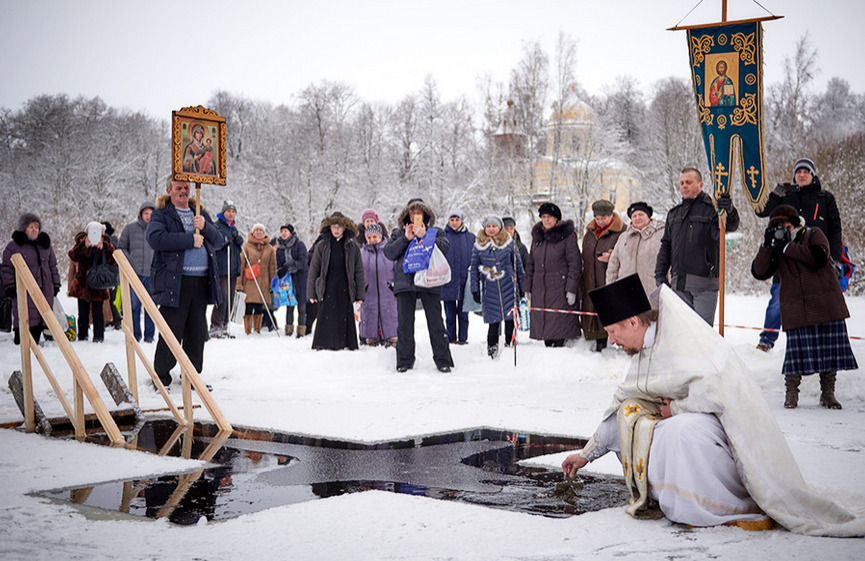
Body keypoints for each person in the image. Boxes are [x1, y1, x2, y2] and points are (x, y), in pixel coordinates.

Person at [561, 274, 865, 536]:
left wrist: (675, 410)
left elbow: (717, 392)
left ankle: (719, 506)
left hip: (728, 436)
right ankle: (671, 502)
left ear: (633, 321)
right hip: (700, 428)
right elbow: (621, 404)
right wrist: (586, 455)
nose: (612, 340)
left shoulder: (683, 341)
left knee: (679, 430)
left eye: (614, 332)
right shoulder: (642, 351)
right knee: (637, 418)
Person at [751, 205, 857, 409]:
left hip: (825, 303)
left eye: (786, 225)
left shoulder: (813, 233)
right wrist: (766, 245)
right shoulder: (776, 245)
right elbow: (759, 272)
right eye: (778, 226)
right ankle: (791, 394)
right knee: (795, 354)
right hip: (796, 306)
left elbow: (819, 258)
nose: (783, 229)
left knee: (829, 353)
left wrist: (788, 247)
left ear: (796, 223)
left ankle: (828, 394)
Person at [754, 157, 843, 351]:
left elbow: (835, 230)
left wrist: (835, 259)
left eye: (806, 171)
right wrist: (775, 196)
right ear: (794, 176)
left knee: (818, 303)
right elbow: (761, 212)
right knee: (777, 301)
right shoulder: (786, 195)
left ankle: (818, 344)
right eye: (798, 172)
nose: (802, 175)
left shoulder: (825, 198)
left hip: (815, 258)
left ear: (813, 175)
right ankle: (766, 341)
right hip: (785, 258)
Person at [147, 179, 225, 388]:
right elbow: (156, 238)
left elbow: (219, 241)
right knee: (172, 328)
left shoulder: (198, 211)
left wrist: (205, 227)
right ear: (169, 190)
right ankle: (162, 374)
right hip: (175, 281)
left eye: (186, 188)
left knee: (197, 330)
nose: (183, 192)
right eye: (178, 188)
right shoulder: (162, 214)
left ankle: (192, 375)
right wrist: (189, 240)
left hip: (201, 281)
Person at [654, 167, 739, 325]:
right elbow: (666, 246)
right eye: (681, 183)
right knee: (683, 335)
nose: (684, 186)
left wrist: (730, 210)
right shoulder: (674, 214)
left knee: (702, 335)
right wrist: (660, 273)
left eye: (688, 182)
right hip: (679, 284)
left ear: (700, 185)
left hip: (704, 284)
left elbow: (732, 225)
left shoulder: (713, 209)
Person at [384, 198, 454, 373]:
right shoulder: (398, 234)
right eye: (412, 212)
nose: (416, 215)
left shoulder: (435, 232)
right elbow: (390, 253)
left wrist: (425, 236)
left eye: (419, 212)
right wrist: (406, 239)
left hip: (429, 281)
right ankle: (404, 361)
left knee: (436, 323)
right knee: (404, 325)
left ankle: (443, 360)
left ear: (425, 215)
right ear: (407, 215)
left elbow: (445, 247)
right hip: (404, 282)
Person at [522, 202, 582, 347]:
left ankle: (560, 351)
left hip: (560, 290)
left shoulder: (567, 236)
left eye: (550, 217)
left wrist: (572, 288)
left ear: (557, 219)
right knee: (546, 330)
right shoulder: (538, 237)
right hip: (540, 289)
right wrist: (527, 287)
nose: (546, 220)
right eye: (543, 217)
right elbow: (531, 264)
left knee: (560, 326)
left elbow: (575, 264)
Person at [307, 212, 365, 350]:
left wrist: (360, 295)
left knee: (344, 316)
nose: (336, 230)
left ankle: (345, 343)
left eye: (339, 226)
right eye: (334, 226)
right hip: (327, 287)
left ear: (345, 228)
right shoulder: (322, 246)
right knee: (326, 316)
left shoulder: (353, 247)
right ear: (330, 228)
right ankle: (324, 344)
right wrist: (311, 293)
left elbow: (359, 272)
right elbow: (314, 270)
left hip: (345, 287)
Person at [1, 213, 61, 346]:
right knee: (25, 316)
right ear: (24, 229)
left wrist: (56, 283)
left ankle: (43, 339)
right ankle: (21, 342)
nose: (35, 230)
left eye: (37, 227)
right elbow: (6, 268)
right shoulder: (14, 246)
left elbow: (53, 266)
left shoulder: (45, 246)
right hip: (24, 290)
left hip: (45, 289)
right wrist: (10, 286)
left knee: (44, 315)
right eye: (31, 227)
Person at [470, 215, 524, 358]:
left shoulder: (509, 243)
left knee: (509, 321)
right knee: (493, 324)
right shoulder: (478, 246)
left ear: (499, 227)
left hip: (508, 286)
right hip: (490, 290)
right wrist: (474, 289)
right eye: (489, 226)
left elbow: (517, 264)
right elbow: (474, 268)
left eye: (494, 226)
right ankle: (492, 352)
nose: (491, 229)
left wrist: (522, 284)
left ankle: (510, 347)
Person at [580, 199, 623, 352]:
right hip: (590, 280)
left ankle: (611, 344)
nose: (600, 221)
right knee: (592, 311)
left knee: (609, 314)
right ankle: (594, 342)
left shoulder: (621, 232)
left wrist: (612, 258)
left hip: (610, 281)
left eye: (603, 218)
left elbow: (627, 255)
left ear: (611, 216)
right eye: (597, 218)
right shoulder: (589, 235)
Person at [606, 201, 665, 306]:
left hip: (653, 292)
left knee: (651, 321)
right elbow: (613, 266)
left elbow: (670, 263)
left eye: (641, 214)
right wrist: (611, 289)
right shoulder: (623, 237)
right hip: (626, 293)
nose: (637, 218)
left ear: (648, 216)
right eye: (634, 216)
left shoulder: (662, 234)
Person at [68, 221, 115, 343]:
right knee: (82, 312)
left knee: (98, 312)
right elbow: (73, 255)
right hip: (83, 283)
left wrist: (104, 248)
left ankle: (98, 337)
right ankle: (82, 336)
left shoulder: (106, 243)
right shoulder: (81, 241)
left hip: (98, 283)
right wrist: (83, 245)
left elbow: (113, 261)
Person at [118, 201, 156, 342]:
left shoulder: (158, 230)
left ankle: (149, 336)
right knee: (134, 306)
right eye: (146, 213)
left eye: (151, 214)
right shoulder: (130, 228)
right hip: (135, 275)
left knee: (151, 308)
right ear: (141, 214)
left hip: (152, 275)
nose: (148, 216)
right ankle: (135, 335)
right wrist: (130, 263)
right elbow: (121, 247)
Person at [359, 223, 397, 347]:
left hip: (388, 291)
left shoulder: (390, 250)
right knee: (369, 313)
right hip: (369, 292)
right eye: (369, 238)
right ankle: (371, 338)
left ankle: (391, 337)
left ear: (380, 236)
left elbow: (397, 269)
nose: (372, 240)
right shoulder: (361, 253)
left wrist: (393, 285)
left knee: (389, 313)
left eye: (374, 236)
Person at [209, 201, 243, 338]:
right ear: (223, 212)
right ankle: (215, 325)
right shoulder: (217, 226)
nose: (231, 214)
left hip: (233, 267)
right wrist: (225, 240)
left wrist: (239, 241)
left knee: (230, 298)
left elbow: (236, 248)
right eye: (228, 211)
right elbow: (215, 244)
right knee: (222, 297)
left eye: (233, 212)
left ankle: (224, 324)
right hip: (223, 267)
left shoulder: (234, 228)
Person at [441, 208, 475, 345]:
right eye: (452, 220)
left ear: (462, 221)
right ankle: (450, 338)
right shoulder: (442, 236)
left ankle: (462, 339)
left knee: (463, 313)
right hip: (447, 280)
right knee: (449, 314)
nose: (454, 223)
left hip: (464, 281)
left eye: (457, 220)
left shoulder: (470, 237)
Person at [237, 224, 277, 335]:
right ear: (253, 232)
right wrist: (239, 284)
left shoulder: (269, 248)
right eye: (257, 230)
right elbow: (241, 265)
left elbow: (272, 267)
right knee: (249, 306)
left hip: (263, 282)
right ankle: (248, 330)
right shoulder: (246, 246)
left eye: (261, 230)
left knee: (260, 306)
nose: (259, 232)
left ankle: (257, 330)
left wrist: (272, 283)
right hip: (249, 281)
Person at [274, 224, 309, 337]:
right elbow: (278, 265)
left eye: (285, 231)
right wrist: (281, 271)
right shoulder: (279, 249)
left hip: (301, 278)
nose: (283, 233)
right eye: (282, 231)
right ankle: (288, 329)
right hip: (287, 281)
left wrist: (293, 265)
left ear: (291, 233)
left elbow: (304, 261)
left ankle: (301, 330)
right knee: (289, 305)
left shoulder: (299, 245)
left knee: (302, 306)